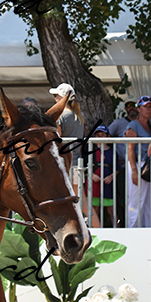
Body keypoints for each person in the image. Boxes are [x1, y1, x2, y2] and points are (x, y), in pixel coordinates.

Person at [49, 83, 100, 227]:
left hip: (66, 165)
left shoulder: (61, 116)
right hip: (77, 164)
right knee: (82, 202)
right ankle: (97, 228)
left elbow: (56, 140)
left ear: (62, 98)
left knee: (68, 201)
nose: (55, 99)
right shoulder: (78, 116)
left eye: (56, 96)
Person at [126, 96, 151, 227]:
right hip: (138, 165)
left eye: (150, 106)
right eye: (146, 106)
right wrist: (134, 171)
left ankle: (148, 230)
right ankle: (133, 231)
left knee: (149, 201)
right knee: (136, 201)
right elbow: (130, 148)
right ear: (139, 109)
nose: (149, 109)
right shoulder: (133, 125)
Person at [107, 95, 139, 227]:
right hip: (124, 167)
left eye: (134, 105)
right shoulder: (118, 123)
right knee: (124, 197)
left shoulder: (144, 122)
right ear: (125, 108)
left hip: (141, 166)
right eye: (128, 105)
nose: (131, 108)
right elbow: (105, 136)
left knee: (139, 197)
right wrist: (114, 157)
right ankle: (124, 223)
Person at [89, 125, 120, 227]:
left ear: (108, 136)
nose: (100, 137)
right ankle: (94, 231)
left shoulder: (112, 152)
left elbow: (117, 169)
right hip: (94, 185)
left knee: (112, 210)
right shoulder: (91, 150)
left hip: (108, 185)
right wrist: (92, 175)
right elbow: (85, 167)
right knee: (95, 210)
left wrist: (111, 177)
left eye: (103, 135)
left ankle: (117, 230)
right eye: (98, 135)